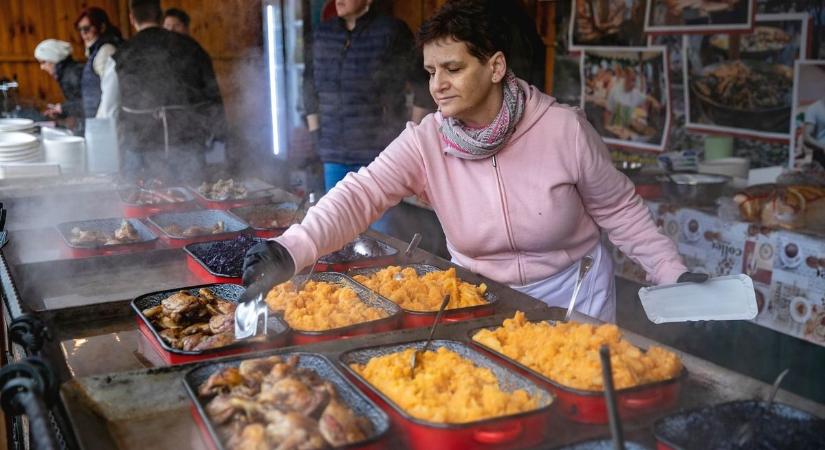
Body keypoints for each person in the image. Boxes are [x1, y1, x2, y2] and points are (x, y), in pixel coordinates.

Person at [242, 0, 706, 322]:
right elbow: (360, 194)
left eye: (453, 68)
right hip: (481, 299)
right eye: (430, 72)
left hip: (576, 297)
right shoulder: (426, 141)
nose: (437, 85)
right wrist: (290, 249)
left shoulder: (563, 129)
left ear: (495, 67)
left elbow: (620, 210)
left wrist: (673, 273)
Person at [303, 0, 433, 192]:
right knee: (338, 210)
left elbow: (422, 85)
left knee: (379, 212)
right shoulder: (322, 33)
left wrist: (411, 138)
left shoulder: (391, 31)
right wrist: (316, 137)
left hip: (379, 153)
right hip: (333, 154)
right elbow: (308, 85)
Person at [106, 0, 225, 182]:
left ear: (132, 18)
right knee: (191, 195)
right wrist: (219, 143)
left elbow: (111, 107)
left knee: (142, 196)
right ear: (161, 17)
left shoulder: (121, 54)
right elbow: (213, 97)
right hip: (187, 142)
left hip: (140, 144)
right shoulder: (191, 47)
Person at [74, 7, 123, 119]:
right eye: (80, 29)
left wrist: (100, 122)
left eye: (87, 28)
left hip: (104, 121)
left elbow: (110, 94)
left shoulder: (106, 51)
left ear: (102, 27)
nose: (83, 33)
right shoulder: (96, 51)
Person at [34, 39, 84, 122]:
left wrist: (63, 108)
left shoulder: (74, 74)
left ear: (54, 59)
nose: (41, 67)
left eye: (43, 62)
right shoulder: (66, 73)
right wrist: (61, 111)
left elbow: (89, 104)